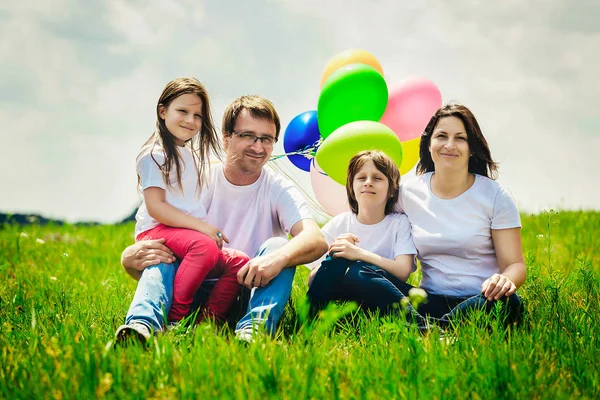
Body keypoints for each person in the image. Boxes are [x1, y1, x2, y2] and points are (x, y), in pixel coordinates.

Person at [116, 94, 328, 343]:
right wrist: (129, 259)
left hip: (247, 292)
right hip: (190, 291)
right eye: (248, 136)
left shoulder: (278, 188)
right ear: (226, 138)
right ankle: (143, 329)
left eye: (267, 139)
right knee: (166, 250)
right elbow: (160, 227)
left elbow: (315, 239)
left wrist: (277, 259)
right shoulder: (196, 176)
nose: (258, 147)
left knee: (280, 247)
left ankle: (253, 332)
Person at [338, 104, 526, 329]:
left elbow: (515, 264)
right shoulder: (408, 193)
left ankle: (428, 329)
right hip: (426, 300)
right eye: (441, 136)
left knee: (509, 302)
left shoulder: (495, 196)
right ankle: (437, 330)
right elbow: (373, 217)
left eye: (460, 138)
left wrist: (505, 280)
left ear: (471, 147)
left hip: (480, 300)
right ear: (429, 144)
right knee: (360, 272)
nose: (449, 145)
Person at [116, 78, 250, 343]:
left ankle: (205, 326)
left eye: (198, 115)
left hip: (185, 236)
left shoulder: (190, 153)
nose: (190, 120)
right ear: (163, 111)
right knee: (206, 246)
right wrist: (204, 228)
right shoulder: (153, 154)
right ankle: (177, 319)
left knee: (238, 262)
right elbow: (156, 207)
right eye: (183, 111)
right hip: (157, 230)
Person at [306, 150, 417, 314]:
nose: (368, 182)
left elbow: (402, 271)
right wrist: (336, 256)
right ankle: (309, 322)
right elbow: (312, 279)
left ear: (392, 190)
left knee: (359, 270)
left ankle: (418, 320)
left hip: (388, 296)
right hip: (349, 300)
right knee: (337, 260)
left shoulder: (399, 222)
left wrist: (357, 254)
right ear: (351, 187)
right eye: (361, 178)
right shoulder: (340, 223)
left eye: (377, 178)